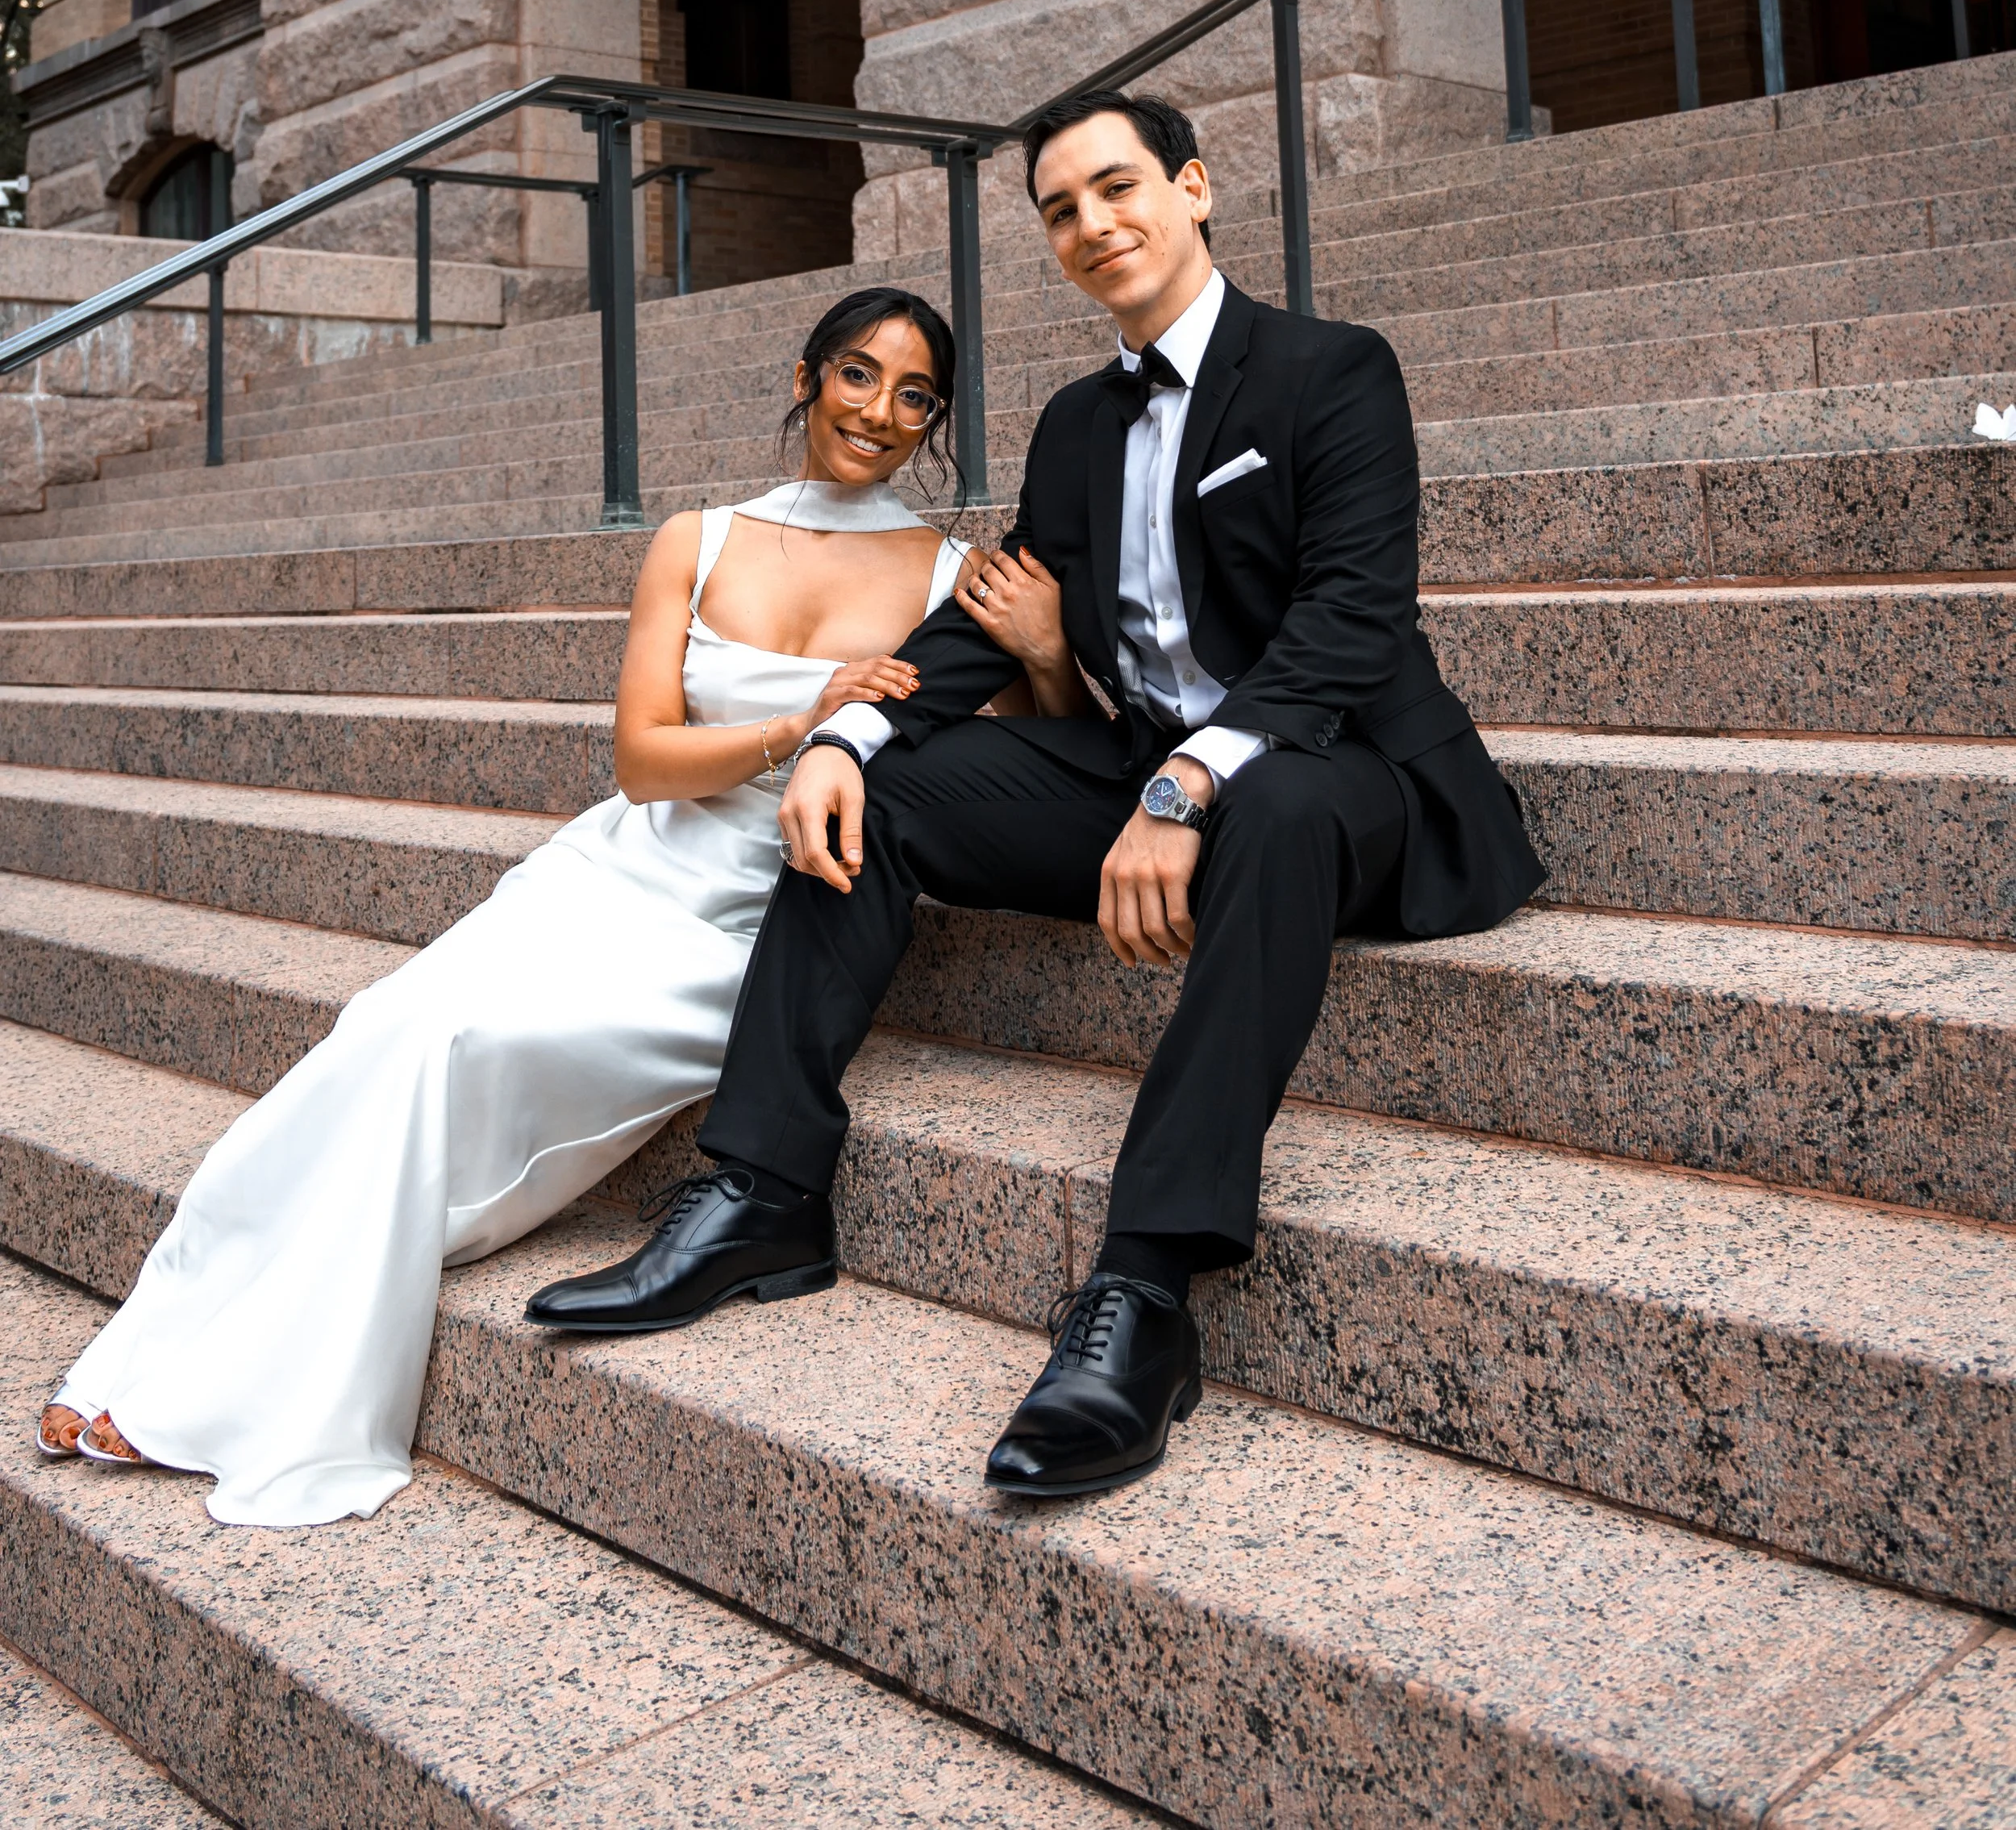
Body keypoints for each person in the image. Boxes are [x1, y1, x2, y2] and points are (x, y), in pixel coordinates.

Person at [530, 91, 1545, 1499]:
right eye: (1060, 209)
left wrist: (1189, 780)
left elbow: (1351, 623)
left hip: (1353, 781)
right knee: (893, 787)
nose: (1093, 226)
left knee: (1285, 808)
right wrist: (843, 737)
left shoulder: (1333, 370)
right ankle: (762, 1192)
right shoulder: (1079, 421)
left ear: (1193, 189)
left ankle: (1143, 1293)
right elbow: (981, 615)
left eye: (1118, 188)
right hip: (1148, 779)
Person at [35, 287, 981, 1528]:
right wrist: (800, 723)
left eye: (914, 396)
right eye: (858, 375)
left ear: (934, 423)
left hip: (753, 929)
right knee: (384, 1021)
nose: (880, 412)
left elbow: (997, 753)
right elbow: (644, 761)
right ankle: (172, 1353)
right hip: (616, 872)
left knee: (453, 1045)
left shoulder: (950, 574)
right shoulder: (695, 538)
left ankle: (250, 1389)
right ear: (806, 378)